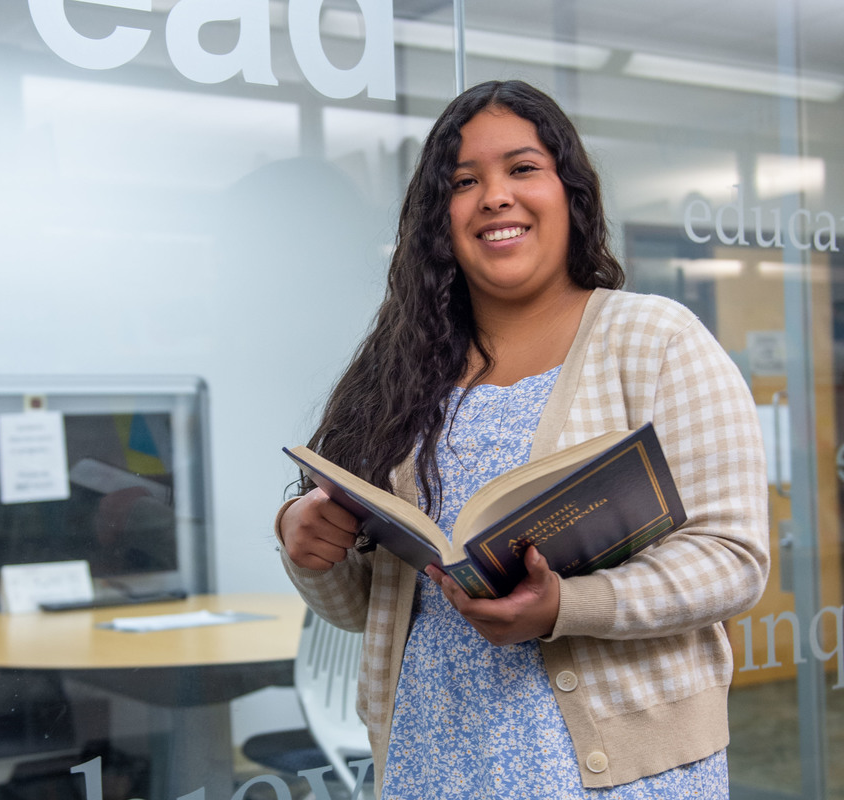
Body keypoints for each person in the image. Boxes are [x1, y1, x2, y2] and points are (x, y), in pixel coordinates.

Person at [276, 79, 769, 798]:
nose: (494, 196)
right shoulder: (402, 371)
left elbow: (733, 560)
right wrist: (308, 546)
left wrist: (566, 607)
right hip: (432, 760)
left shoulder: (657, 340)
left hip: (617, 776)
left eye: (522, 169)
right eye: (464, 180)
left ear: (571, 193)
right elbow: (361, 608)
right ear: (439, 218)